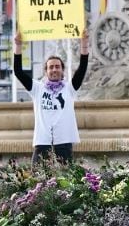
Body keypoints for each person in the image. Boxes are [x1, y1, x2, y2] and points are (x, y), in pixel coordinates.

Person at [14, 27, 89, 165]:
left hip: (64, 140)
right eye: (51, 67)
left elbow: (82, 68)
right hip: (43, 141)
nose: (54, 69)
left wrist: (84, 44)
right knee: (37, 180)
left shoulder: (69, 88)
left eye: (57, 67)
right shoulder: (37, 88)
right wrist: (18, 46)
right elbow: (18, 72)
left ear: (62, 70)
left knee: (67, 179)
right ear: (46, 71)